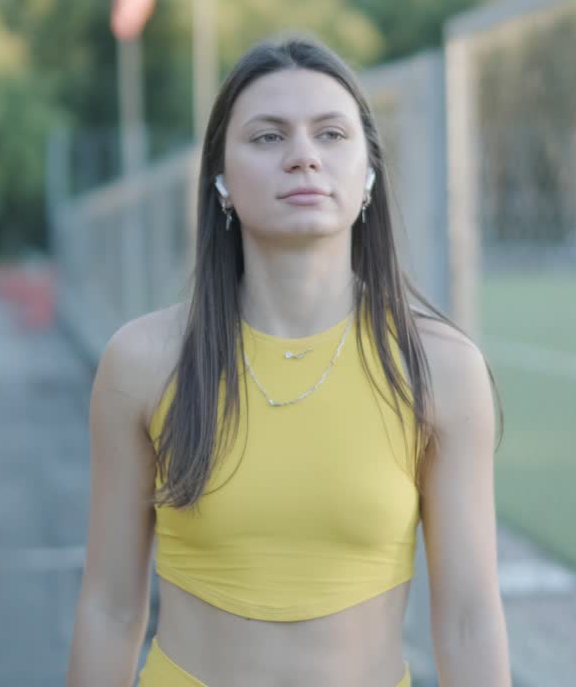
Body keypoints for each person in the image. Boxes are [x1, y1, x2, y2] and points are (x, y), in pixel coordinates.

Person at [66, 35, 511, 687]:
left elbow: (470, 618)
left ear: (367, 176)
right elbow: (109, 606)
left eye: (330, 135)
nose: (303, 157)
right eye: (268, 137)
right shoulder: (143, 362)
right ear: (221, 178)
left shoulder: (439, 369)